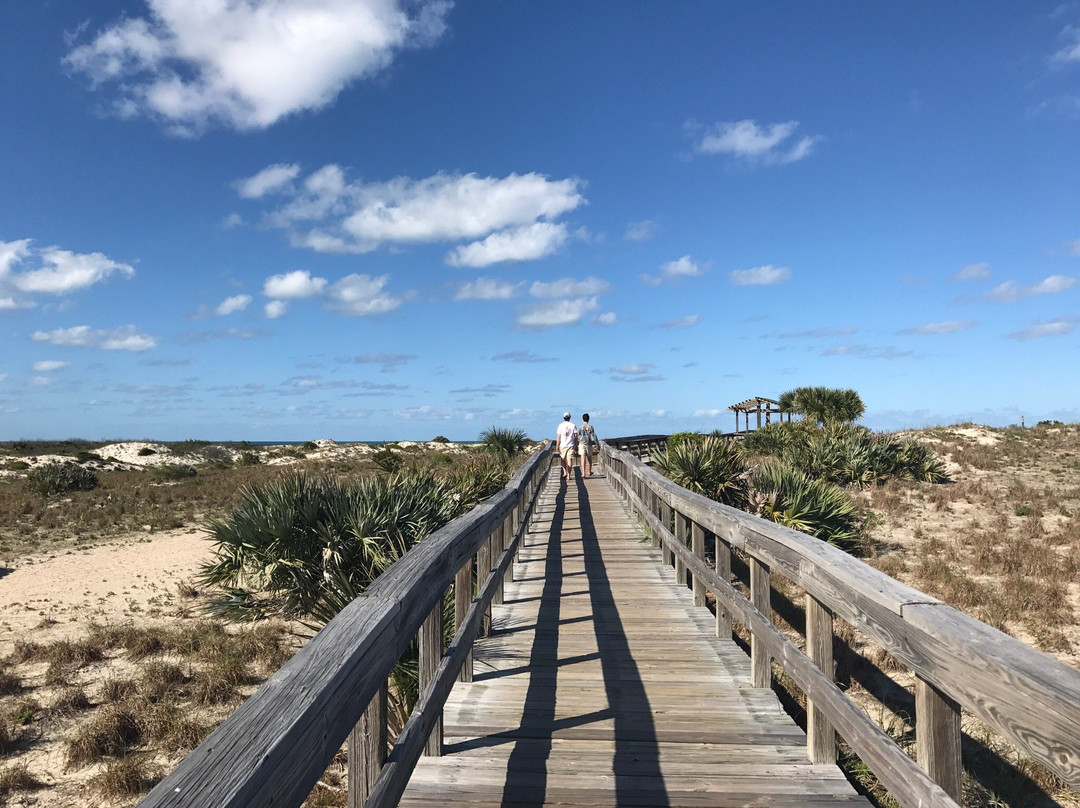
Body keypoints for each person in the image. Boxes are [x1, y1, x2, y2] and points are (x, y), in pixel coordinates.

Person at [555, 412, 577, 480]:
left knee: (563, 459)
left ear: (563, 417)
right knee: (569, 459)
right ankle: (569, 475)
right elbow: (576, 436)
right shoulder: (573, 425)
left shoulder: (560, 425)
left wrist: (557, 445)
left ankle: (565, 472)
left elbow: (559, 436)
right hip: (571, 445)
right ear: (570, 417)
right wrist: (576, 445)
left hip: (562, 445)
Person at [577, 412, 597, 477]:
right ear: (588, 419)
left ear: (583, 419)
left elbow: (577, 435)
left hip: (581, 443)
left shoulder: (580, 427)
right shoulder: (590, 427)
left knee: (583, 458)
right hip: (588, 443)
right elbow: (594, 436)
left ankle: (583, 473)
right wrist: (598, 444)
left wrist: (576, 442)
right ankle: (589, 471)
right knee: (589, 458)